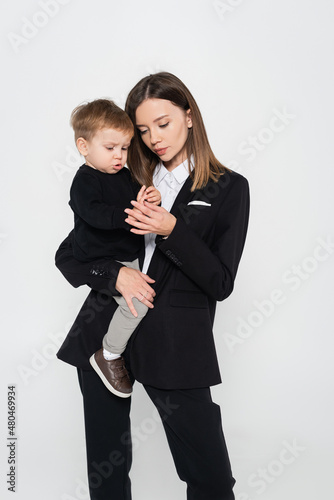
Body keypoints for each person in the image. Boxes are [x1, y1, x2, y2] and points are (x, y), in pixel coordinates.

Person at [55, 72, 250, 500]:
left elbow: (220, 282)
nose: (153, 138)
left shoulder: (229, 188)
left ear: (190, 116)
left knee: (210, 478)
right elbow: (67, 256)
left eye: (162, 123)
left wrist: (172, 229)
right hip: (103, 336)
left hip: (177, 344)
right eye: (142, 130)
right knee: (107, 477)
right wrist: (115, 275)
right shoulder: (123, 176)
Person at [67, 98, 161, 397]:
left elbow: (136, 199)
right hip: (99, 256)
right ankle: (108, 355)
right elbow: (94, 213)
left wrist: (149, 199)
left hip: (123, 253)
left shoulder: (124, 174)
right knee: (137, 306)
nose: (119, 155)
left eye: (125, 147)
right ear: (84, 146)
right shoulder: (84, 180)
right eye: (110, 148)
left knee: (141, 301)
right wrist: (127, 215)